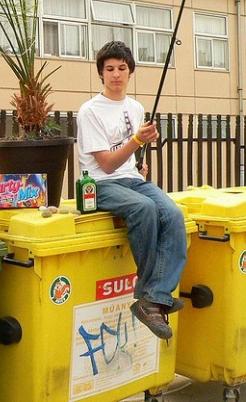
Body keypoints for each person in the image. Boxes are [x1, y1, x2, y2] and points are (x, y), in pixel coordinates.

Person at [77, 41, 187, 340]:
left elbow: (128, 157)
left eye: (122, 68)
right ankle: (151, 296)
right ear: (101, 73)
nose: (116, 74)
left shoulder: (136, 107)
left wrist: (139, 162)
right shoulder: (89, 111)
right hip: (99, 185)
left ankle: (154, 298)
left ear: (130, 72)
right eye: (109, 69)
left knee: (174, 215)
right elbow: (107, 165)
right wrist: (138, 140)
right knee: (145, 209)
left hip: (132, 180)